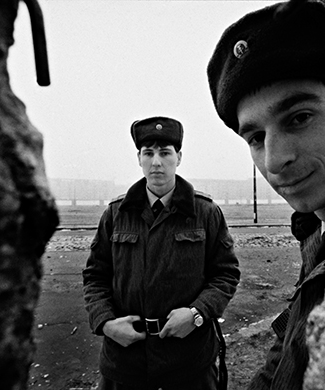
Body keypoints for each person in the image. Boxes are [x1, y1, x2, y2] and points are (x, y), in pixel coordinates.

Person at [207, 0, 325, 389]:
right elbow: (289, 347)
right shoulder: (318, 233)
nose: (275, 159)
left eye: (299, 118)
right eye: (256, 137)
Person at [82, 116, 241, 390]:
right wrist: (106, 323)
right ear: (139, 158)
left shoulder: (205, 213)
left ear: (178, 157)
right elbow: (95, 276)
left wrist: (196, 314)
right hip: (125, 363)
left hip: (188, 361)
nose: (156, 162)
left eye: (165, 153)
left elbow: (225, 274)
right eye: (149, 153)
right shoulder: (116, 214)